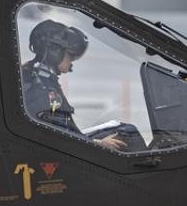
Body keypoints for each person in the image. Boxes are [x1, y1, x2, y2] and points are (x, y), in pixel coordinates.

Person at [21, 19, 130, 151]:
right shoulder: (40, 87)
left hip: (67, 143)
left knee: (123, 129)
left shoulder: (35, 76)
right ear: (54, 52)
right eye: (70, 55)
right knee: (127, 134)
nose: (72, 61)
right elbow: (57, 136)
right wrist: (98, 144)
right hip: (60, 152)